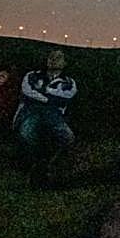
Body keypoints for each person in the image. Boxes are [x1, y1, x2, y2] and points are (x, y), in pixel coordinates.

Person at [15, 51, 78, 187]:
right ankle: (33, 165)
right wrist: (49, 98)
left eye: (58, 58)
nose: (54, 60)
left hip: (53, 114)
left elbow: (66, 97)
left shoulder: (69, 82)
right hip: (31, 111)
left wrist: (43, 95)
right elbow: (27, 91)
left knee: (68, 137)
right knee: (26, 133)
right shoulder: (32, 75)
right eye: (51, 57)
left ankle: (49, 166)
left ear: (64, 63)